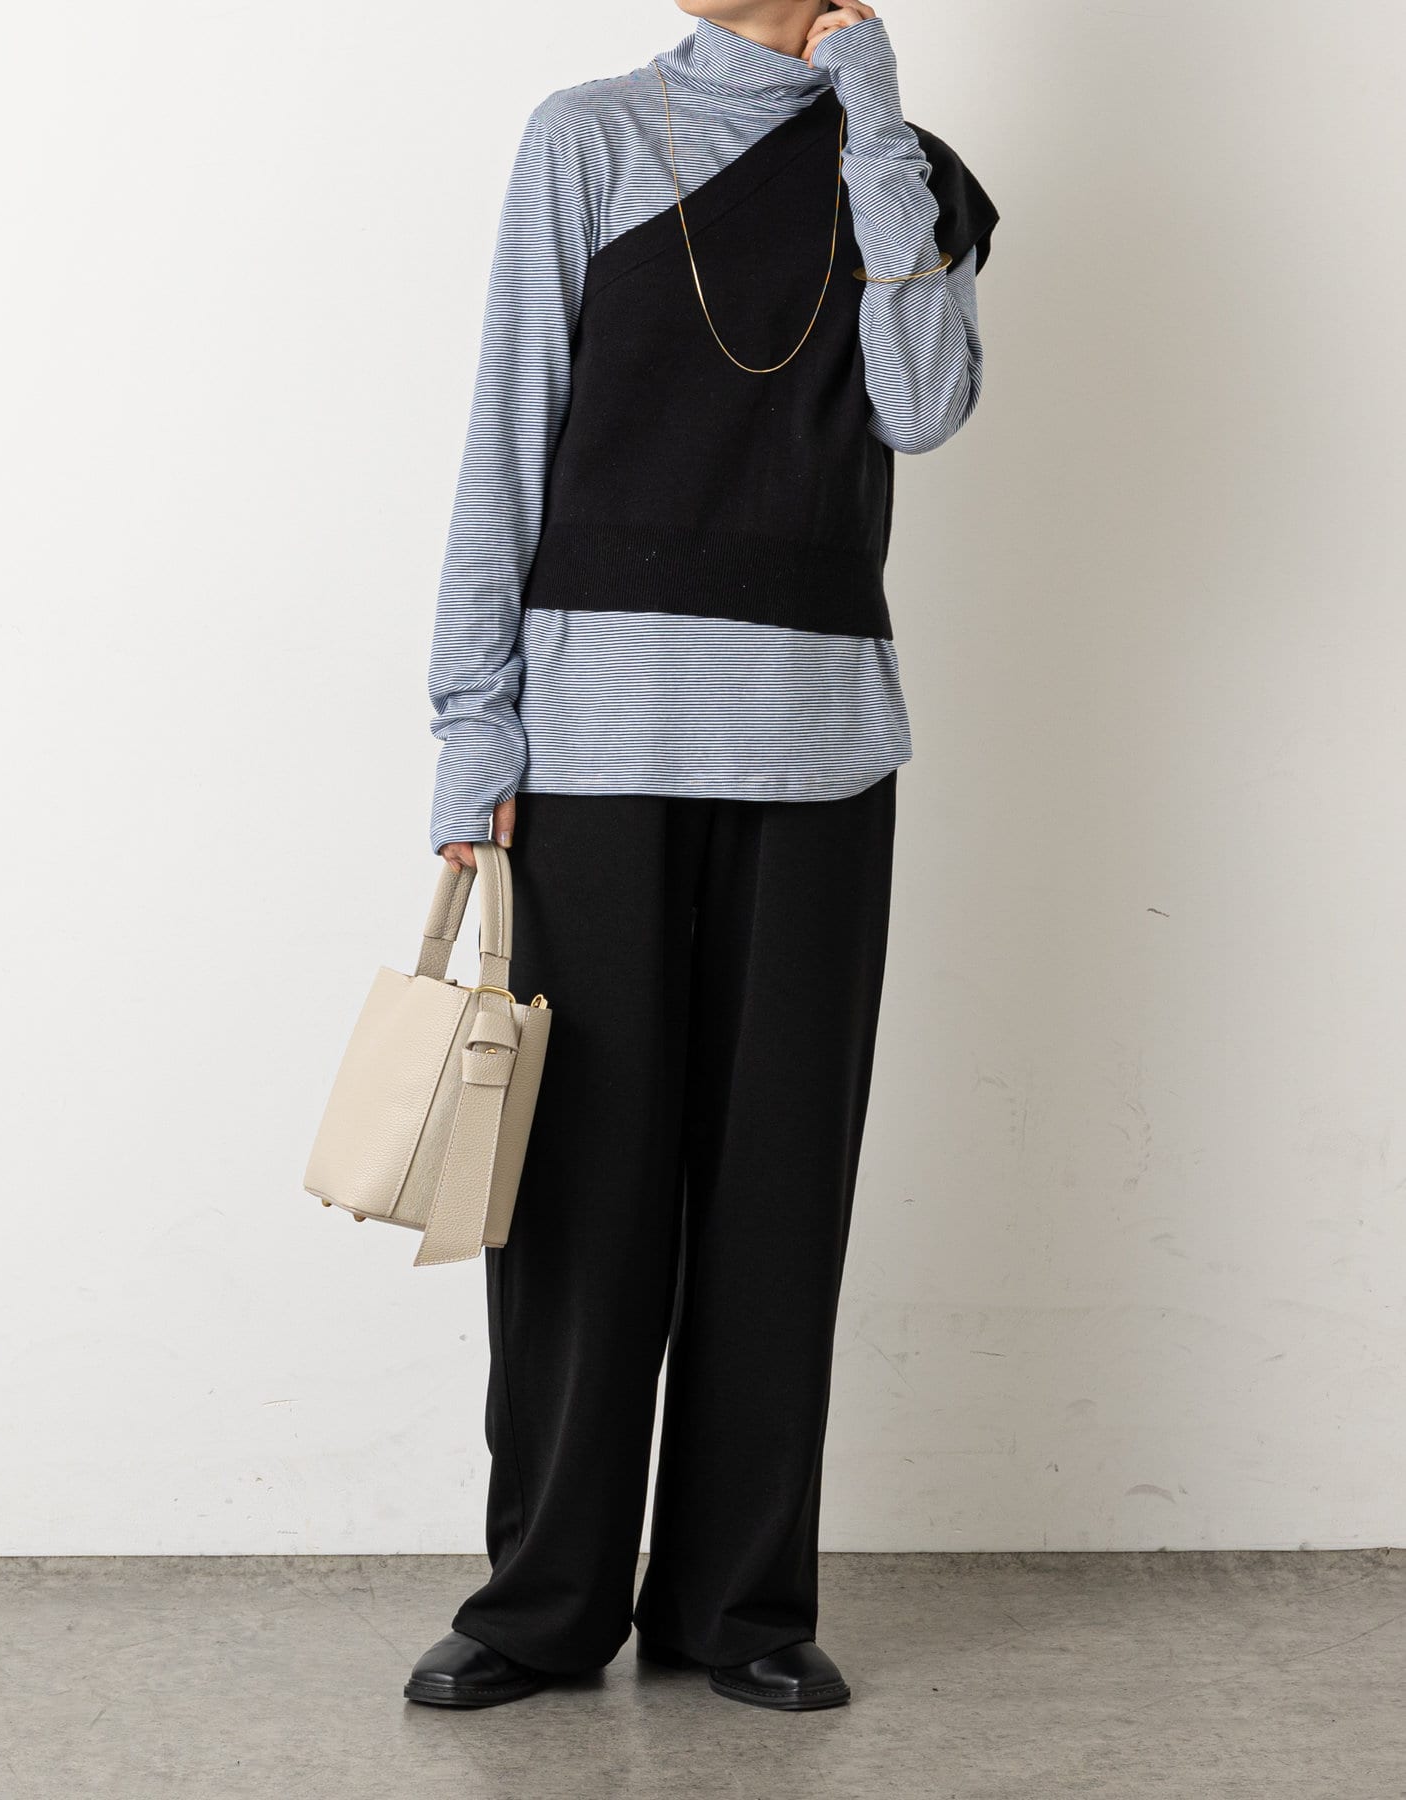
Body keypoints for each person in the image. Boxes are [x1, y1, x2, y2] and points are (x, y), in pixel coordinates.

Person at [406, 0, 998, 1712]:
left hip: (822, 753)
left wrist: (867, 108)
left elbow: (924, 405)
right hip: (596, 744)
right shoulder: (587, 133)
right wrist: (473, 720)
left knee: (777, 1192)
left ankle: (737, 1608)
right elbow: (507, 430)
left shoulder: (908, 169)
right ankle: (543, 1605)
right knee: (578, 1189)